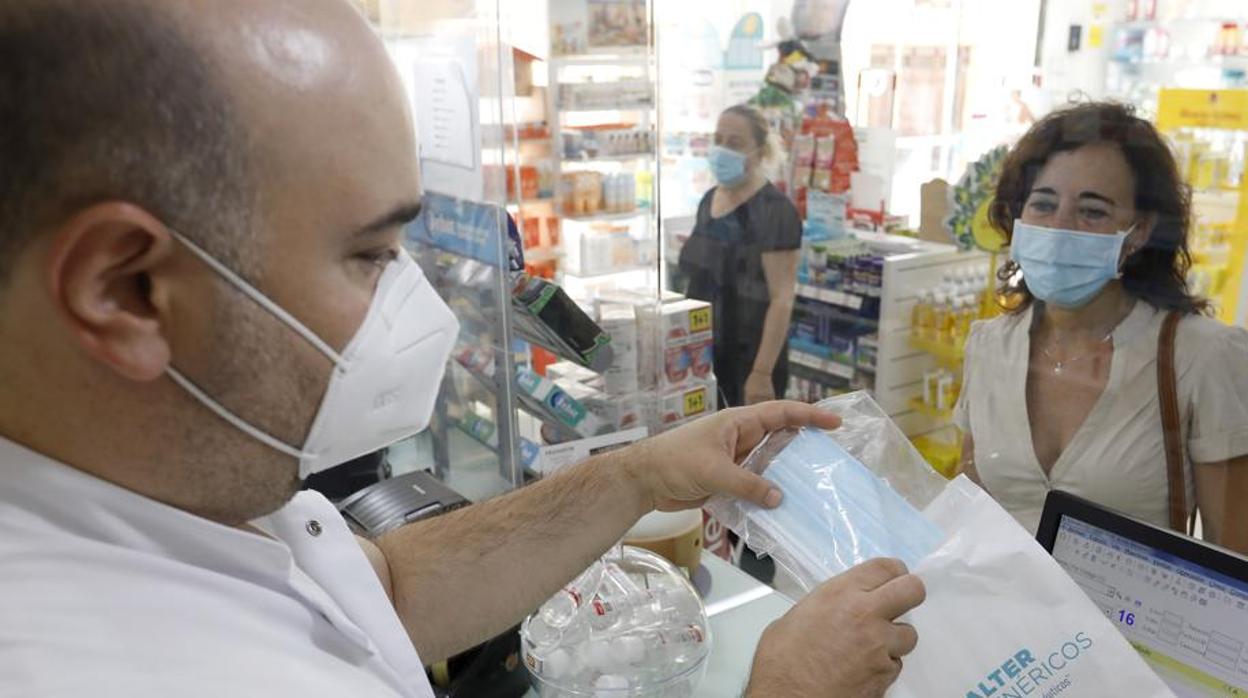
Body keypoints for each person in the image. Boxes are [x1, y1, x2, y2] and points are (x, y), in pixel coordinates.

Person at [0, 2, 925, 697]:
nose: (415, 304)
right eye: (369, 254)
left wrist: (636, 477)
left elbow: (390, 589)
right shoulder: (109, 664)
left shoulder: (165, 478)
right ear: (124, 291)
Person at [955, 102, 1248, 552]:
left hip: (1128, 622)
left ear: (1140, 231)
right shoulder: (989, 345)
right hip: (998, 615)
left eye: (1092, 211)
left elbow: (1233, 558)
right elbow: (969, 512)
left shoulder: (1202, 356)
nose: (1059, 228)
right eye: (1043, 204)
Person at [679, 104, 802, 407]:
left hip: (751, 362)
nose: (722, 150)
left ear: (760, 151)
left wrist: (761, 374)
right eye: (718, 140)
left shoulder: (776, 211)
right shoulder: (709, 200)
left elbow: (782, 298)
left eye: (734, 143)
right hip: (703, 356)